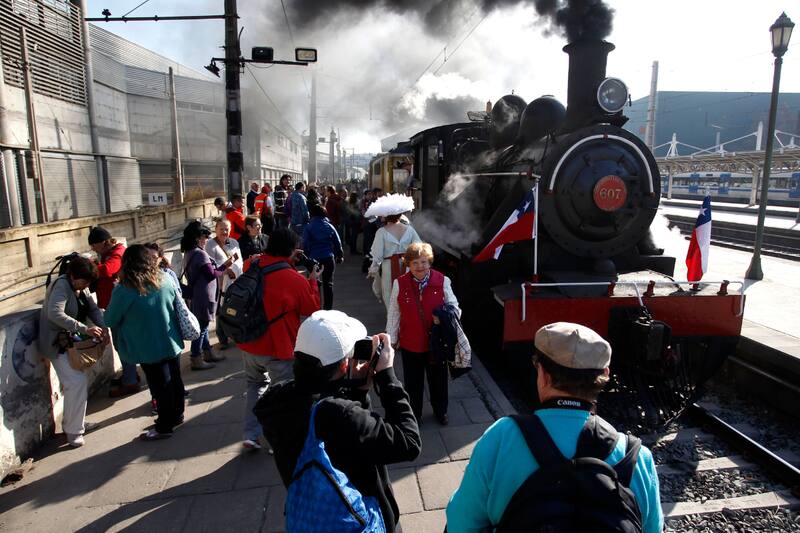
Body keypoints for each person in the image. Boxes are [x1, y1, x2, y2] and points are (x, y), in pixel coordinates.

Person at [446, 322, 664, 533]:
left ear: (543, 374)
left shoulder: (500, 438)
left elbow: (461, 525)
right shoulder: (636, 457)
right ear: (605, 374)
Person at [254, 310, 421, 533]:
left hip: (316, 517)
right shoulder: (340, 414)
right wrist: (387, 376)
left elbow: (343, 436)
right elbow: (409, 443)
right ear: (344, 365)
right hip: (360, 520)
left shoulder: (279, 400)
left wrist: (358, 392)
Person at [236, 228, 322, 450]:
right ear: (291, 249)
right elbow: (312, 309)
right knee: (283, 393)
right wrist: (313, 281)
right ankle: (279, 440)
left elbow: (253, 264)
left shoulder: (252, 264)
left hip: (249, 342)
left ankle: (251, 434)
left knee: (254, 385)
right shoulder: (294, 279)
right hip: (278, 345)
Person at [104, 245, 186, 441]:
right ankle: (177, 415)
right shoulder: (164, 279)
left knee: (159, 386)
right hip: (171, 339)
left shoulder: (125, 289)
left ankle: (164, 426)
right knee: (174, 379)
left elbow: (110, 319)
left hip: (146, 345)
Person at [386, 243, 459, 426]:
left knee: (438, 380)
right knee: (412, 382)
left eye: (424, 262)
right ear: (408, 264)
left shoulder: (442, 281)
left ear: (430, 262)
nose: (420, 267)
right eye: (415, 263)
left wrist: (443, 316)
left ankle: (441, 411)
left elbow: (455, 308)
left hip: (436, 343)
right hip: (410, 342)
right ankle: (414, 414)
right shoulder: (399, 283)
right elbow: (394, 312)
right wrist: (391, 339)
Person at [38, 256, 107, 447]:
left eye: (88, 283)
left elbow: (92, 309)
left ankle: (75, 424)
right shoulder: (61, 285)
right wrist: (84, 329)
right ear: (73, 276)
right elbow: (55, 313)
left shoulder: (80, 286)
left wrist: (104, 327)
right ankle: (74, 431)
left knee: (76, 383)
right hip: (56, 344)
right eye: (84, 282)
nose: (86, 286)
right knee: (76, 382)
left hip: (70, 343)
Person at [88, 226, 135, 398]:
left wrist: (89, 266)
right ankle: (130, 376)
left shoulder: (117, 253)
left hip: (119, 307)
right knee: (121, 343)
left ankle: (130, 381)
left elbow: (108, 270)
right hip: (114, 304)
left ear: (103, 243)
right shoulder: (109, 253)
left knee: (122, 343)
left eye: (94, 245)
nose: (93, 249)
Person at [180, 221, 233, 370]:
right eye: (205, 237)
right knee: (202, 328)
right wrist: (225, 266)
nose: (207, 240)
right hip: (204, 296)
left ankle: (208, 352)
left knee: (202, 326)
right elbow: (211, 274)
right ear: (198, 238)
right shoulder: (200, 254)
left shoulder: (189, 252)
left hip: (198, 295)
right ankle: (196, 357)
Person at [369, 210, 422, 310]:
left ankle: (393, 318)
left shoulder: (381, 232)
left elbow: (377, 255)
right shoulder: (410, 230)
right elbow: (419, 248)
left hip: (388, 267)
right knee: (408, 293)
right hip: (407, 266)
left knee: (390, 295)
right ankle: (407, 317)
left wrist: (373, 268)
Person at [206, 218, 243, 352]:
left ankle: (235, 334)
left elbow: (239, 260)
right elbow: (212, 265)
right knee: (220, 311)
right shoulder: (210, 245)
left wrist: (234, 270)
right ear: (216, 229)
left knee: (234, 308)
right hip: (219, 283)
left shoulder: (234, 242)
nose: (224, 232)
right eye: (221, 229)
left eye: (227, 229)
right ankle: (222, 339)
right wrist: (227, 270)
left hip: (234, 281)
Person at [303, 204, 343, 310]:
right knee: (328, 284)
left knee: (314, 283)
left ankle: (316, 307)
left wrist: (306, 256)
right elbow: (337, 242)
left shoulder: (309, 227)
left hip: (314, 259)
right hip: (328, 257)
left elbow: (305, 244)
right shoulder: (329, 226)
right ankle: (328, 308)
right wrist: (340, 255)